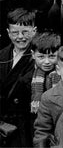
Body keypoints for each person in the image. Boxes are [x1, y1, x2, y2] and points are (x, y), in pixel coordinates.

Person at [0, 8, 36, 147]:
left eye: (25, 32)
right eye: (15, 32)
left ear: (34, 30)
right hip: (4, 126)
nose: (20, 37)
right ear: (8, 33)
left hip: (26, 125)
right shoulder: (2, 56)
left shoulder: (39, 58)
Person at [29, 32, 61, 115]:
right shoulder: (28, 77)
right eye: (41, 57)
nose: (47, 62)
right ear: (33, 54)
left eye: (52, 56)